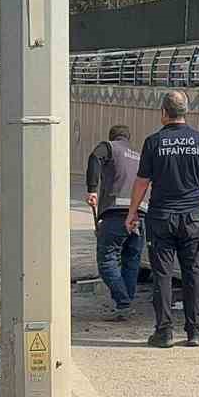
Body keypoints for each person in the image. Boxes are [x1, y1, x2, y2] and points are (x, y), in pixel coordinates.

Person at [124, 90, 199, 348]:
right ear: (185, 111)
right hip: (192, 218)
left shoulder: (153, 142)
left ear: (164, 113)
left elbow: (142, 182)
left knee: (163, 274)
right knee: (194, 272)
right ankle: (195, 331)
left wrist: (132, 212)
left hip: (161, 217)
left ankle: (164, 332)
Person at [85, 125, 146, 320]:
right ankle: (124, 306)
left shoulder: (110, 147)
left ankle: (123, 302)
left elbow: (95, 157)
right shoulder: (139, 157)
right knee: (131, 260)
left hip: (116, 214)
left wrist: (92, 189)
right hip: (140, 215)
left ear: (112, 137)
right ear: (128, 138)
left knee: (107, 260)